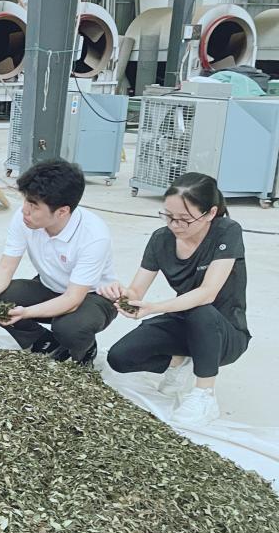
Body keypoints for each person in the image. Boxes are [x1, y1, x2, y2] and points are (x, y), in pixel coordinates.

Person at [103, 173, 249, 424]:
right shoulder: (161, 239)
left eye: (184, 219)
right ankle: (179, 360)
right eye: (168, 216)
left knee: (201, 308)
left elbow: (208, 292)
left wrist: (155, 308)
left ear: (211, 213)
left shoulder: (226, 232)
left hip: (225, 332)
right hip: (183, 320)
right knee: (119, 358)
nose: (175, 225)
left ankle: (205, 394)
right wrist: (123, 296)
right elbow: (137, 290)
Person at [0, 158, 116, 365]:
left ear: (62, 211)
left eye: (34, 206)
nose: (25, 210)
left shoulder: (94, 236)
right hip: (49, 286)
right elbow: (5, 267)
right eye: (26, 200)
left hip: (91, 297)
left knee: (69, 328)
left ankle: (85, 349)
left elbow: (72, 299)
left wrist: (26, 312)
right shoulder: (24, 218)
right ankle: (44, 342)